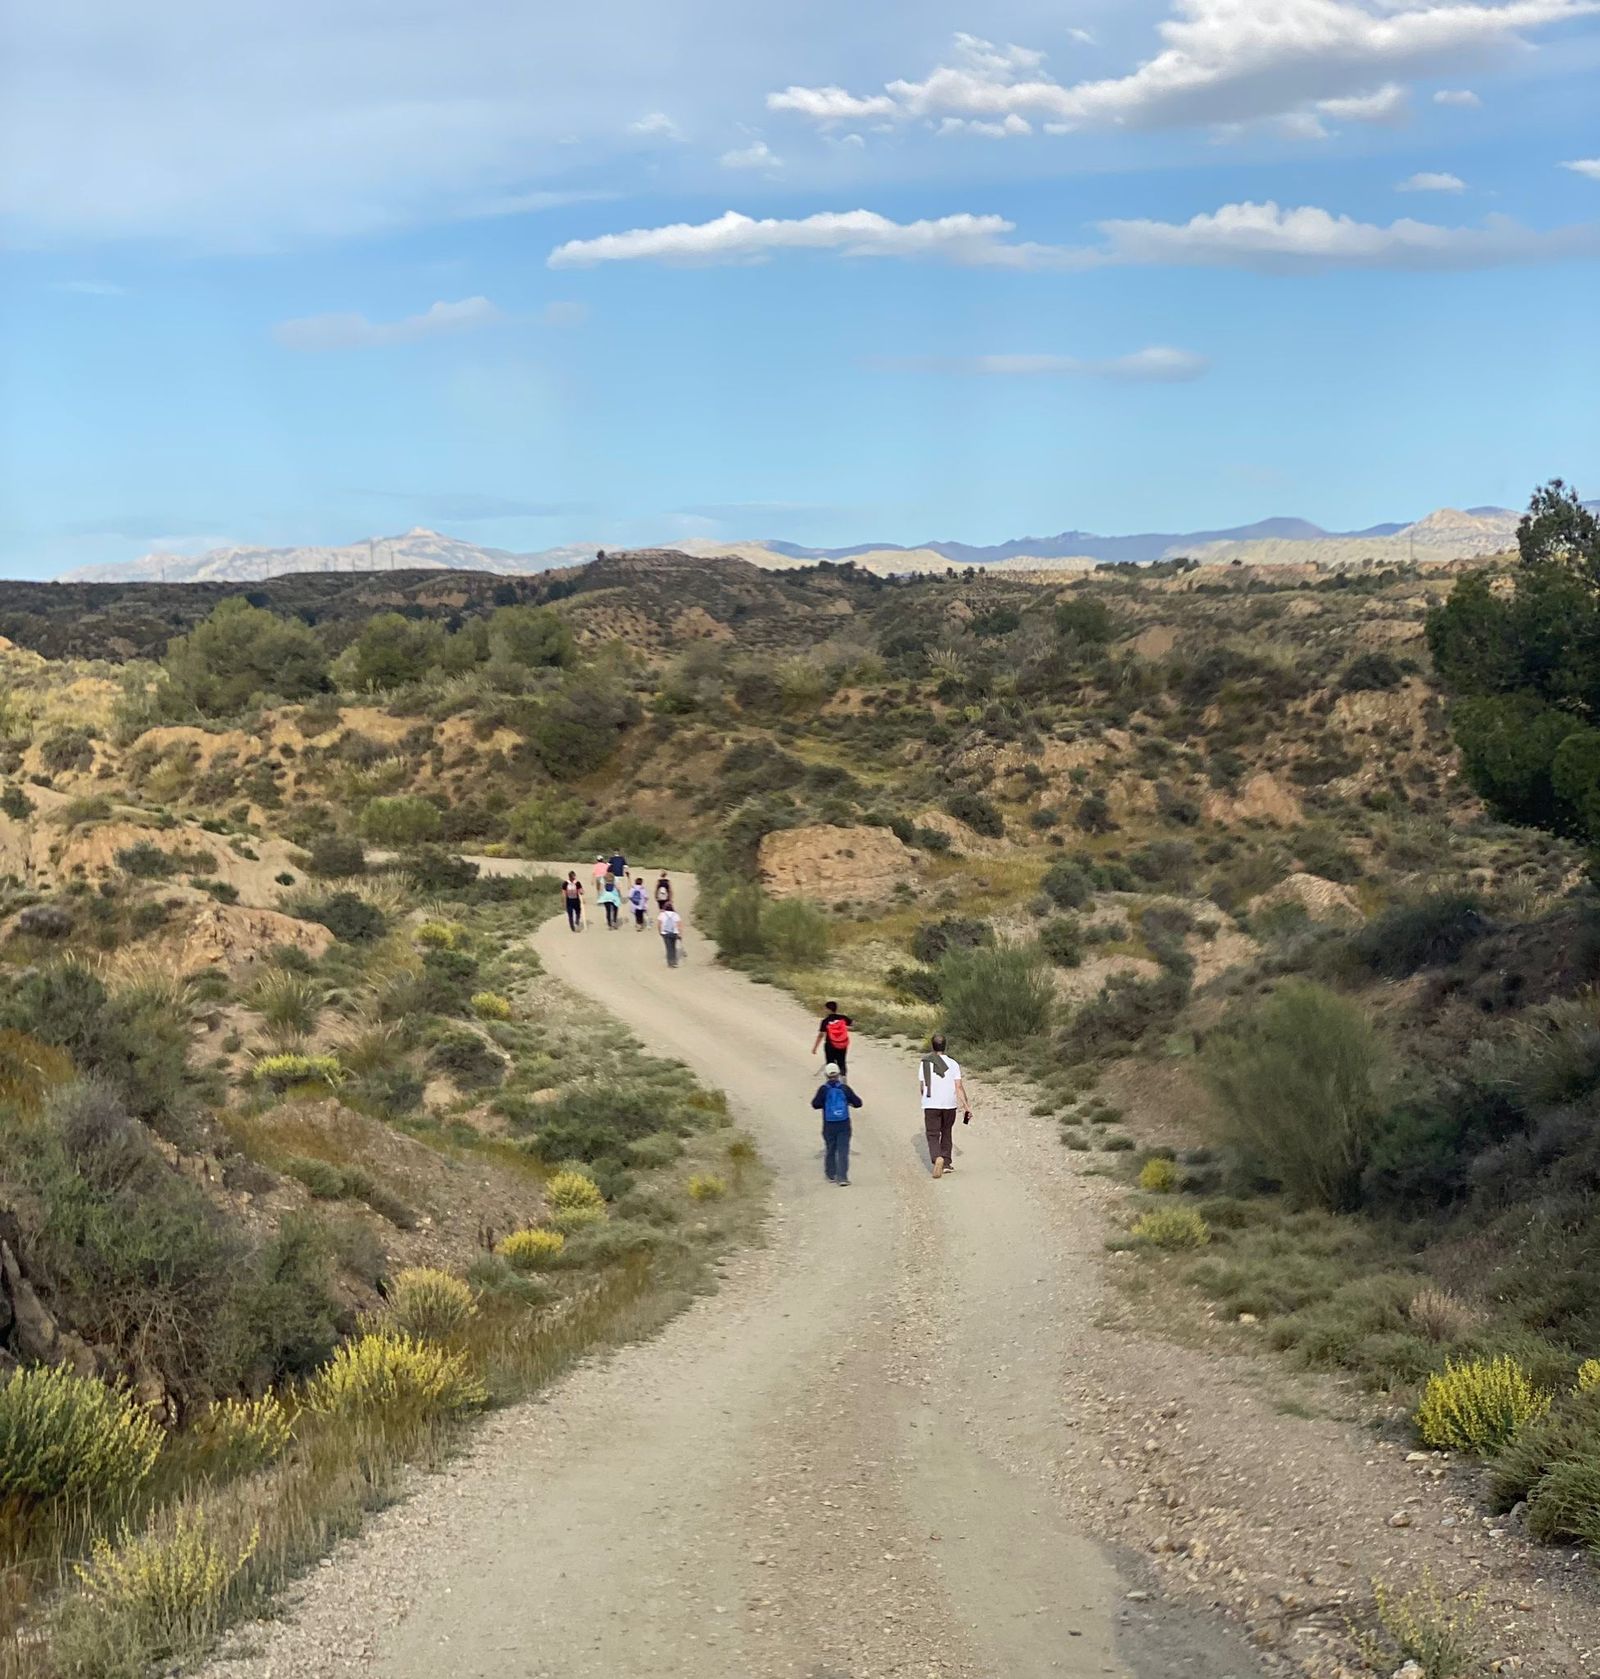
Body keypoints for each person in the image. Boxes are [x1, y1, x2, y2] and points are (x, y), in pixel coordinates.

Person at [918, 1033, 971, 1180]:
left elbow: (923, 1086)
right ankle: (946, 1163)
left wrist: (925, 1097)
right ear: (945, 1046)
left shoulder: (925, 1063)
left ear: (932, 1045)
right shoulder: (953, 1064)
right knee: (946, 1131)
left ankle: (937, 1158)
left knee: (933, 1134)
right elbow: (958, 1086)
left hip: (931, 1103)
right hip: (949, 1104)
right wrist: (966, 1106)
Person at [810, 1063, 862, 1186]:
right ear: (838, 1074)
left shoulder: (823, 1089)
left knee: (830, 1149)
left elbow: (815, 1104)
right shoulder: (844, 1088)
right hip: (844, 1123)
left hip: (829, 1124)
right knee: (843, 1150)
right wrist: (849, 1102)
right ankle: (842, 1177)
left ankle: (830, 1174)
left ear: (826, 1075)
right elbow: (858, 1103)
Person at [811, 1001, 854, 1077]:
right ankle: (843, 1079)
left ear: (828, 1009)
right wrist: (845, 1027)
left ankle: (832, 1080)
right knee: (841, 1062)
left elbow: (821, 1035)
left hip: (830, 1045)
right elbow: (853, 1025)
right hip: (842, 1044)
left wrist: (815, 1048)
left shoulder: (825, 1021)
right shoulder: (843, 1018)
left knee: (830, 1063)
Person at [659, 902, 683, 967]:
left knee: (668, 948)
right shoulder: (676, 915)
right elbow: (679, 925)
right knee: (673, 947)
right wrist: (680, 934)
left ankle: (670, 962)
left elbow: (659, 924)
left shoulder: (662, 914)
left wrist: (660, 932)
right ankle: (674, 961)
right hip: (674, 933)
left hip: (665, 933)